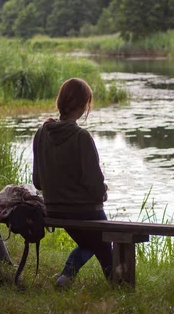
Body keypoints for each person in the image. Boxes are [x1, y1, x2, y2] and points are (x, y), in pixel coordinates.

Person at [32, 78, 112, 288]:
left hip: (53, 209)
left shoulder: (41, 134)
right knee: (104, 241)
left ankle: (67, 277)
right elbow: (94, 185)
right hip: (84, 210)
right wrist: (103, 193)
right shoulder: (81, 137)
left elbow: (38, 182)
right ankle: (120, 288)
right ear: (83, 104)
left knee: (91, 242)